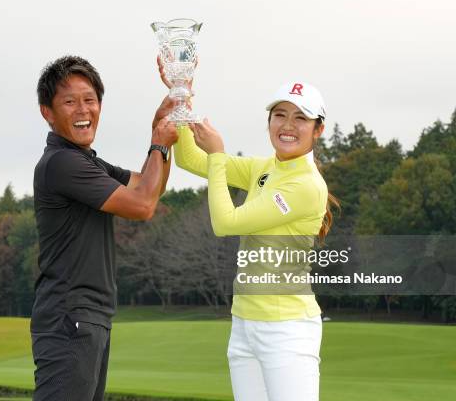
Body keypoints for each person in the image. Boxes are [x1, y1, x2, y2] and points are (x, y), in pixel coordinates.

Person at [169, 72, 339, 400]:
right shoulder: (264, 169)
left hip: (287, 330)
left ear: (318, 129)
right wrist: (181, 97)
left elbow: (226, 222)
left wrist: (218, 154)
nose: (288, 125)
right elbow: (189, 158)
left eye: (300, 118)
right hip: (244, 325)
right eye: (280, 115)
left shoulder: (306, 185)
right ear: (269, 121)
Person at [31, 55, 178, 401]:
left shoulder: (86, 162)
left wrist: (160, 130)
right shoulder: (62, 163)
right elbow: (142, 205)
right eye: (69, 101)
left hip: (88, 316)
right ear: (47, 112)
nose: (83, 110)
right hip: (70, 317)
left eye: (90, 100)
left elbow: (150, 187)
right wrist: (159, 142)